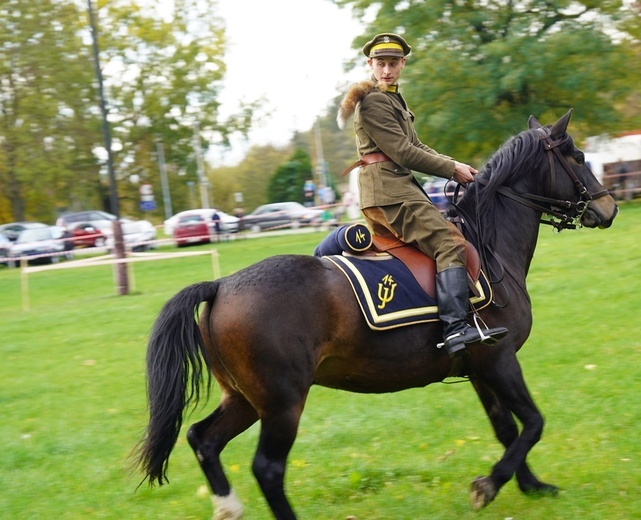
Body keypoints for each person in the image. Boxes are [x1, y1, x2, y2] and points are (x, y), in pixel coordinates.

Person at [337, 33, 507, 358]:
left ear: (402, 64)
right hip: (389, 194)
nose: (386, 70)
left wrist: (457, 166)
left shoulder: (394, 100)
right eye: (380, 63)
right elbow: (402, 152)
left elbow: (416, 146)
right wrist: (450, 169)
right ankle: (455, 330)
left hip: (396, 190)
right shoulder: (373, 102)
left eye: (392, 63)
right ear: (370, 65)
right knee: (450, 244)